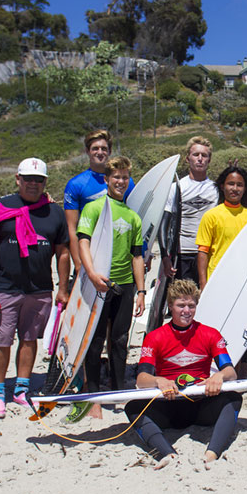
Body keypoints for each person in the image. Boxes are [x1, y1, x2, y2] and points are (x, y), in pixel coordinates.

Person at [0, 158, 70, 418]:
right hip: (4, 287)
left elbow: (62, 252)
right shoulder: (0, 207)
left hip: (39, 289)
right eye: (28, 178)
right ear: (17, 178)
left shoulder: (54, 212)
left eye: (38, 179)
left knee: (29, 339)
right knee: (0, 340)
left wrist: (63, 287)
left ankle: (21, 390)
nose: (33, 183)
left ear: (45, 183)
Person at [124, 279, 242, 470]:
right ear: (170, 306)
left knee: (233, 400)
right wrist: (158, 380)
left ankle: (212, 453)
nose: (186, 311)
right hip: (168, 407)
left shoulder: (210, 334)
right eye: (181, 305)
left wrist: (219, 376)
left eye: (191, 305)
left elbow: (231, 371)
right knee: (133, 408)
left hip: (201, 406)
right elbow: (142, 379)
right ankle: (167, 453)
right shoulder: (154, 337)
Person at [77, 156, 146, 419]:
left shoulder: (132, 216)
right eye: (116, 176)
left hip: (124, 286)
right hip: (98, 284)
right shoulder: (94, 208)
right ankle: (94, 397)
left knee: (118, 341)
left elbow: (137, 256)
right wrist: (92, 274)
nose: (121, 181)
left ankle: (118, 393)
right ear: (106, 179)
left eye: (125, 177)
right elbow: (83, 242)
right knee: (94, 342)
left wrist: (140, 291)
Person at [63, 130, 135, 274]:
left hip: (120, 256)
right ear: (87, 151)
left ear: (110, 151)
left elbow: (134, 220)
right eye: (95, 148)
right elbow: (72, 228)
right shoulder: (75, 184)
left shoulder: (125, 182)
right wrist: (78, 263)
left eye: (104, 148)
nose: (100, 152)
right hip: (90, 253)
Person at [161, 136, 218, 285]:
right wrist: (165, 257)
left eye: (204, 155)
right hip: (182, 254)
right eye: (196, 155)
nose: (200, 159)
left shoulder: (217, 189)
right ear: (188, 158)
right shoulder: (176, 187)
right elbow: (164, 224)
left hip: (208, 254)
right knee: (183, 302)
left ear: (209, 160)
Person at [195, 166, 247, 290]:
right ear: (222, 187)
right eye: (231, 184)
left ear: (244, 189)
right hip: (216, 277)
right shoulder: (211, 215)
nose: (235, 188)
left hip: (244, 278)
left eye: (239, 185)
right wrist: (203, 283)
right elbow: (202, 252)